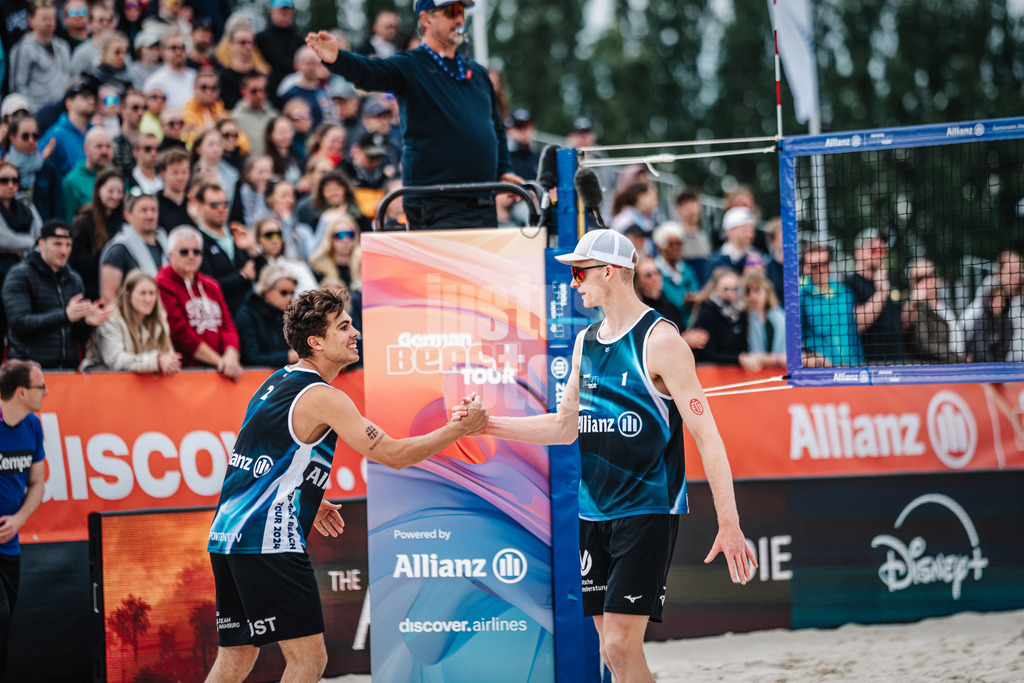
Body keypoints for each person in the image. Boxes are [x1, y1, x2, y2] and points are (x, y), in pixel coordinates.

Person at [451, 228, 754, 682]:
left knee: (619, 646)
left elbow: (708, 436)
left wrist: (728, 523)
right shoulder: (586, 341)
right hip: (593, 512)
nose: (573, 283)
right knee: (611, 653)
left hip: (646, 509)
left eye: (579, 272)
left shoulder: (661, 340)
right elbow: (563, 426)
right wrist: (487, 424)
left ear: (610, 272)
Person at [204, 284, 487, 682]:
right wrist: (459, 429)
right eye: (343, 327)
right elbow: (393, 454)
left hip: (227, 537)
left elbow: (256, 464)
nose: (356, 333)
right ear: (316, 341)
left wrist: (304, 495)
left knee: (235, 659)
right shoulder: (323, 396)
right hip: (267, 542)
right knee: (309, 661)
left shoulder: (276, 381)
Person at [306, 1, 524, 230]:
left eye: (461, 11)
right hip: (434, 201)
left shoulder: (478, 72)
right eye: (451, 11)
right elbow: (370, 72)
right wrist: (337, 58)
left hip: (482, 199)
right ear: (426, 19)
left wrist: (504, 171)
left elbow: (496, 128)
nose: (459, 19)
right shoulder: (410, 65)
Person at [3, 220, 112, 369]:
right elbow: (19, 323)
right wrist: (65, 316)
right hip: (30, 370)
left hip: (67, 369)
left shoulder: (74, 279)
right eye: (58, 244)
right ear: (41, 244)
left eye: (68, 245)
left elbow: (75, 334)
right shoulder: (20, 275)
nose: (64, 251)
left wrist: (87, 323)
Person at [0, 359, 48, 680]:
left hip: (10, 547)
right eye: (41, 387)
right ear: (21, 392)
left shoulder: (32, 425)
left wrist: (18, 519)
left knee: (5, 632)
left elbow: (37, 483)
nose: (46, 392)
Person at [157, 225, 243, 381]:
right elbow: (179, 333)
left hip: (220, 370)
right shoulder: (162, 283)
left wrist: (231, 355)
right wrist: (220, 361)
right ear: (171, 255)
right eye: (184, 252)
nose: (191, 256)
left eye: (196, 251)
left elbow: (228, 325)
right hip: (184, 374)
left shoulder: (211, 285)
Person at [80, 269, 182, 374]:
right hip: (99, 380)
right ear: (128, 295)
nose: (148, 299)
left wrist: (170, 363)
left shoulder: (160, 319)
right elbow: (115, 361)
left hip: (140, 381)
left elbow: (166, 354)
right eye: (142, 293)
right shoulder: (112, 320)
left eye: (152, 293)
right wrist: (156, 361)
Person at [193, 183, 256, 317]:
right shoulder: (196, 242)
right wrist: (242, 276)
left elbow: (264, 274)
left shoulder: (237, 234)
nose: (221, 209)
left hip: (250, 313)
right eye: (214, 205)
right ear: (199, 207)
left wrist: (253, 250)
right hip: (220, 316)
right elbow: (208, 285)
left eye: (225, 204)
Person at [798, 243, 864, 368]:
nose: (821, 269)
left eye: (825, 263)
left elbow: (853, 333)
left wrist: (861, 363)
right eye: (815, 266)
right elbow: (796, 340)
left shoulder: (845, 293)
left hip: (853, 367)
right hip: (823, 370)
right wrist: (808, 357)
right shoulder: (802, 297)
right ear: (806, 269)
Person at [0, 161, 43, 349]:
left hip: (27, 273)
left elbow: (40, 237)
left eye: (15, 180)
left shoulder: (27, 207)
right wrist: (29, 242)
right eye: (4, 180)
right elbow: (4, 239)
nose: (10, 185)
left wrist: (23, 245)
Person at [845, 228, 903, 364]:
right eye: (874, 250)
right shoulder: (849, 283)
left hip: (896, 364)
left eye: (882, 250)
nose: (879, 254)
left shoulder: (889, 281)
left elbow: (901, 321)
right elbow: (857, 324)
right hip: (867, 365)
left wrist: (914, 303)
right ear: (858, 253)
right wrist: (881, 292)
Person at [99, 190, 167, 303]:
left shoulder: (167, 245)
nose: (150, 216)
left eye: (153, 210)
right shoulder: (118, 249)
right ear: (128, 216)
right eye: (144, 210)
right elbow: (108, 297)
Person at [70, 168, 125, 300]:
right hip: (91, 292)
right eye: (110, 191)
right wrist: (106, 256)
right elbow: (75, 261)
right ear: (99, 190)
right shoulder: (83, 221)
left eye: (120, 192)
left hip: (119, 291)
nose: (115, 196)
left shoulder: (124, 222)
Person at [8, 2, 72, 112]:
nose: (49, 23)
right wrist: (30, 111)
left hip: (63, 110)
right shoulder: (23, 48)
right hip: (38, 112)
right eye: (44, 19)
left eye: (52, 18)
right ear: (31, 21)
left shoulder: (63, 46)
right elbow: (17, 86)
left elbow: (68, 77)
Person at [233, 264, 298, 366]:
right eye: (284, 292)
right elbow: (250, 358)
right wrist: (287, 357)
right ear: (266, 291)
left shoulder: (287, 314)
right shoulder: (247, 316)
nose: (289, 298)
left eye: (292, 293)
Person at [690, 267, 752, 368]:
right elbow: (707, 353)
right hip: (708, 370)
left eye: (735, 289)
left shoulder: (741, 312)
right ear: (715, 289)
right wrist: (738, 359)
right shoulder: (707, 313)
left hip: (735, 371)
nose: (730, 294)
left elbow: (743, 347)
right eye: (725, 289)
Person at [904, 258, 963, 364]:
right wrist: (958, 358)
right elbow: (923, 344)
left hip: (958, 365)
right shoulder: (916, 309)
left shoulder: (949, 306)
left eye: (930, 274)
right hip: (936, 368)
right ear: (913, 283)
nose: (926, 280)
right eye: (920, 278)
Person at [37, 79, 97, 178]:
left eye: (93, 96)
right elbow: (38, 164)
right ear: (69, 102)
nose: (91, 100)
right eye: (85, 96)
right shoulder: (56, 134)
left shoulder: (95, 133)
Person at [251, 215, 318, 293]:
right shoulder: (252, 267)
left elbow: (312, 291)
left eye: (278, 234)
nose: (275, 240)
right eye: (269, 235)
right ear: (258, 239)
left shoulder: (297, 266)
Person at [62, 127, 114, 223]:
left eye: (108, 146)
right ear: (86, 149)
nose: (104, 151)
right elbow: (68, 220)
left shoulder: (117, 179)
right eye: (99, 146)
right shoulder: (72, 182)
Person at [255, 0, 305, 98]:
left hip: (294, 90)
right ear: (272, 12)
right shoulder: (260, 39)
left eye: (287, 11)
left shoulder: (299, 40)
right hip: (268, 91)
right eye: (281, 11)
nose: (284, 15)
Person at [652, 221, 700, 321]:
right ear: (659, 247)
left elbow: (696, 290)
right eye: (671, 244)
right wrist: (683, 302)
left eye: (679, 244)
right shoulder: (654, 272)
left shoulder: (686, 269)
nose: (676, 248)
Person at [743, 273, 787, 371]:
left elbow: (785, 356)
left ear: (767, 292)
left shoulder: (780, 316)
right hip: (752, 370)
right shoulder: (743, 317)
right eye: (747, 291)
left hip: (779, 370)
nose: (752, 296)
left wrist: (762, 359)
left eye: (757, 290)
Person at [143, 31, 197, 110]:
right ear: (162, 52)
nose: (179, 52)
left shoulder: (195, 77)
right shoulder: (155, 80)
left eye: (183, 47)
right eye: (173, 48)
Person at [707, 206, 766, 277]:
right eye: (744, 231)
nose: (750, 235)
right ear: (729, 231)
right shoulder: (716, 261)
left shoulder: (759, 257)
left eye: (752, 231)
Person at [309, 214, 361, 292]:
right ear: (330, 238)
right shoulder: (318, 267)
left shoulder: (363, 264)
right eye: (340, 235)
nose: (346, 240)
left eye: (350, 234)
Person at [230, 72, 278, 157]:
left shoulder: (273, 115)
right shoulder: (235, 119)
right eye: (254, 91)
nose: (259, 95)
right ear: (243, 91)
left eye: (263, 90)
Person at [156, 148, 195, 231]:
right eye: (175, 173)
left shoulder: (195, 202)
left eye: (184, 172)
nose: (180, 178)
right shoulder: (155, 204)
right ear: (162, 174)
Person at [674, 189, 711, 259]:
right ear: (679, 210)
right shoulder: (674, 237)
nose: (693, 211)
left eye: (695, 207)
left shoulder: (703, 237)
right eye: (688, 208)